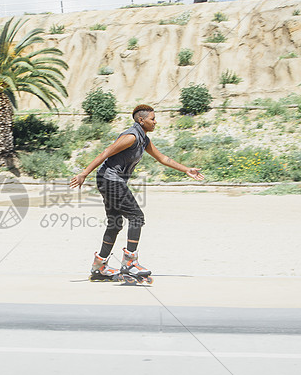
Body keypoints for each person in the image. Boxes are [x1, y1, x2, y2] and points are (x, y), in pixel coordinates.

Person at [69, 104, 203, 282]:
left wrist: (186, 169)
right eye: (152, 119)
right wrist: (84, 173)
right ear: (142, 120)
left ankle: (99, 266)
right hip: (110, 180)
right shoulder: (131, 137)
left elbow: (163, 158)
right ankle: (130, 263)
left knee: (115, 224)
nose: (155, 122)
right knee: (136, 217)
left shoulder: (144, 140)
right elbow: (106, 152)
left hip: (110, 180)